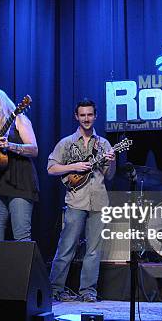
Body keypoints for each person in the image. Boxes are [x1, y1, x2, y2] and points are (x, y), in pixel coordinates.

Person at [48, 99, 116, 302]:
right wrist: (74, 166)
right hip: (75, 201)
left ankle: (88, 291)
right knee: (66, 246)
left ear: (95, 116)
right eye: (82, 115)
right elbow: (51, 168)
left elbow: (109, 176)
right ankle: (54, 288)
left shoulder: (103, 144)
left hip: (99, 201)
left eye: (90, 115)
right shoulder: (66, 143)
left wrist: (112, 163)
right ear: (76, 117)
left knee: (93, 251)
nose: (86, 119)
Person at [0, 85, 39, 241]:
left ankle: (22, 266)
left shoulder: (19, 119)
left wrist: (11, 145)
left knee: (21, 237)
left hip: (20, 183)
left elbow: (34, 149)